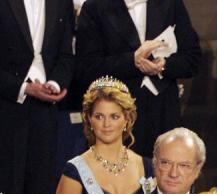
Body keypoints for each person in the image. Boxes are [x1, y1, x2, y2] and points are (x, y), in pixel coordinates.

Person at [0, 0, 74, 194]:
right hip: (3, 111)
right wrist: (23, 88)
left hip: (45, 114)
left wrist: (54, 84)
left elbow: (66, 55)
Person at [53, 76, 155, 194]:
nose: (106, 124)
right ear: (89, 119)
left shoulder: (147, 167)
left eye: (114, 116)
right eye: (99, 116)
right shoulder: (75, 171)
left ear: (127, 119)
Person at [75, 0, 201, 155]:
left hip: (164, 112)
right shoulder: (95, 7)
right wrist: (132, 61)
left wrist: (163, 65)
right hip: (117, 114)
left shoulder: (170, 4)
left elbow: (192, 59)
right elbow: (87, 68)